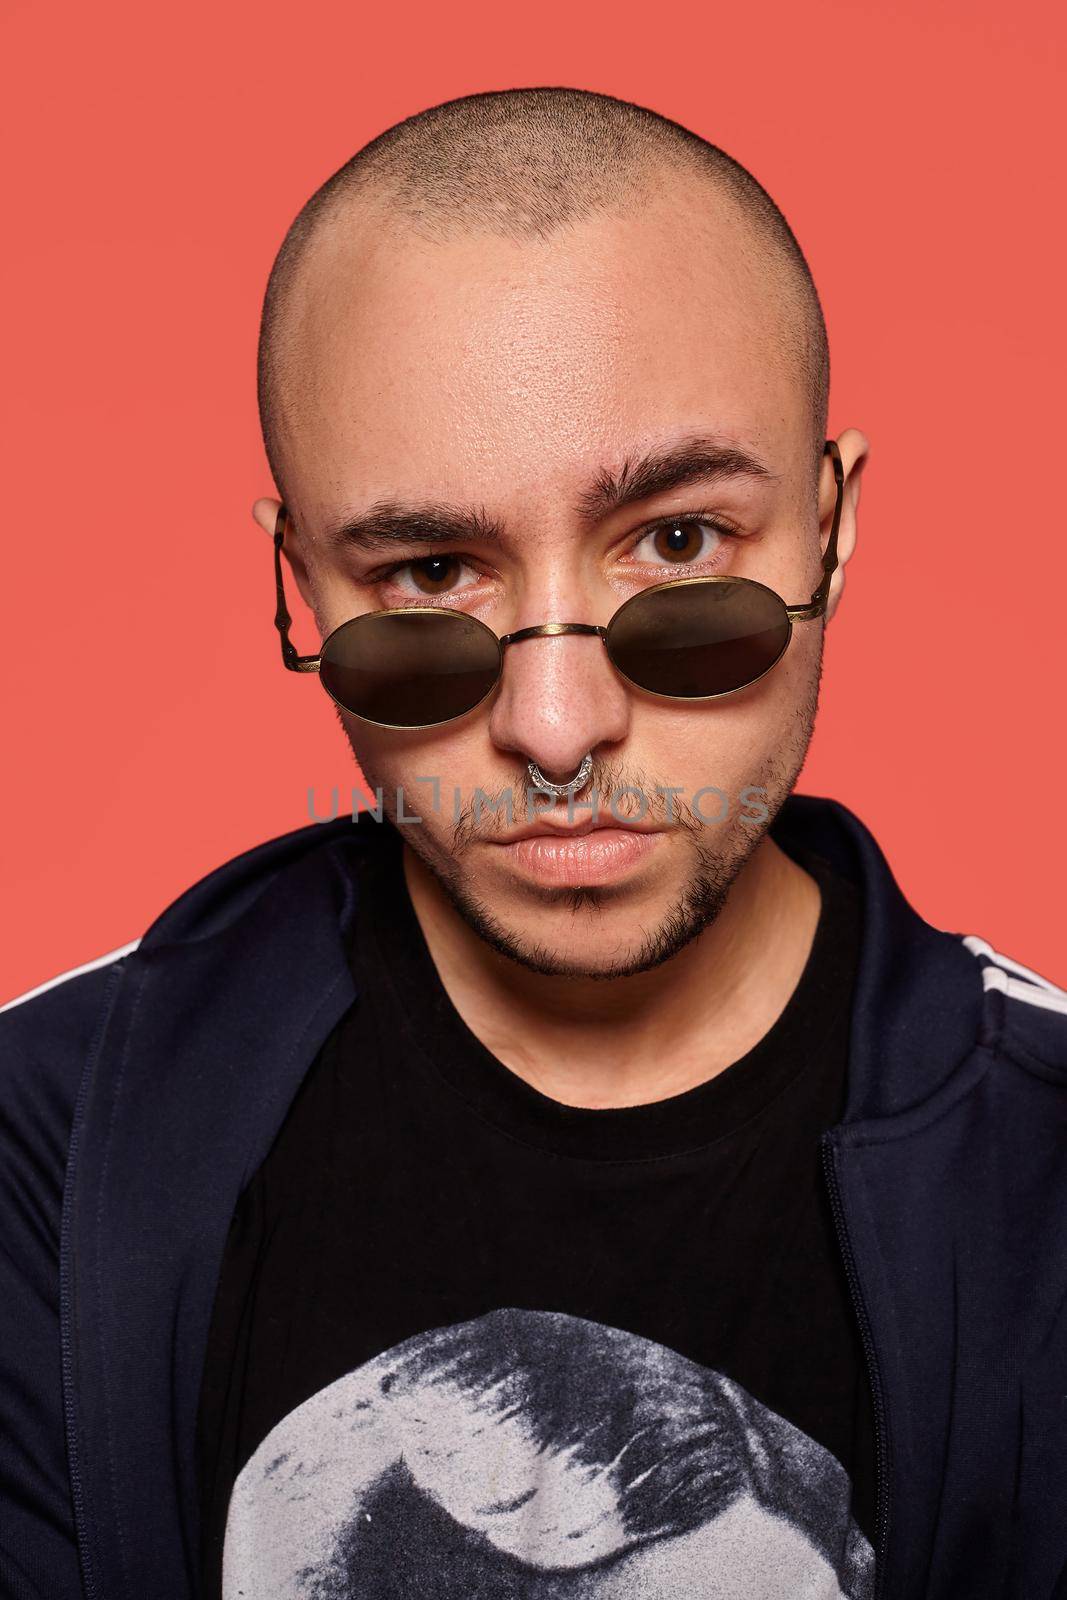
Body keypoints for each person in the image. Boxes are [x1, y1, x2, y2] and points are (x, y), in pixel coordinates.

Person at [1, 85, 1064, 1600]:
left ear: (827, 527)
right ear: (301, 588)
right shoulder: (47, 1153)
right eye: (432, 573)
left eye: (682, 544)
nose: (557, 729)